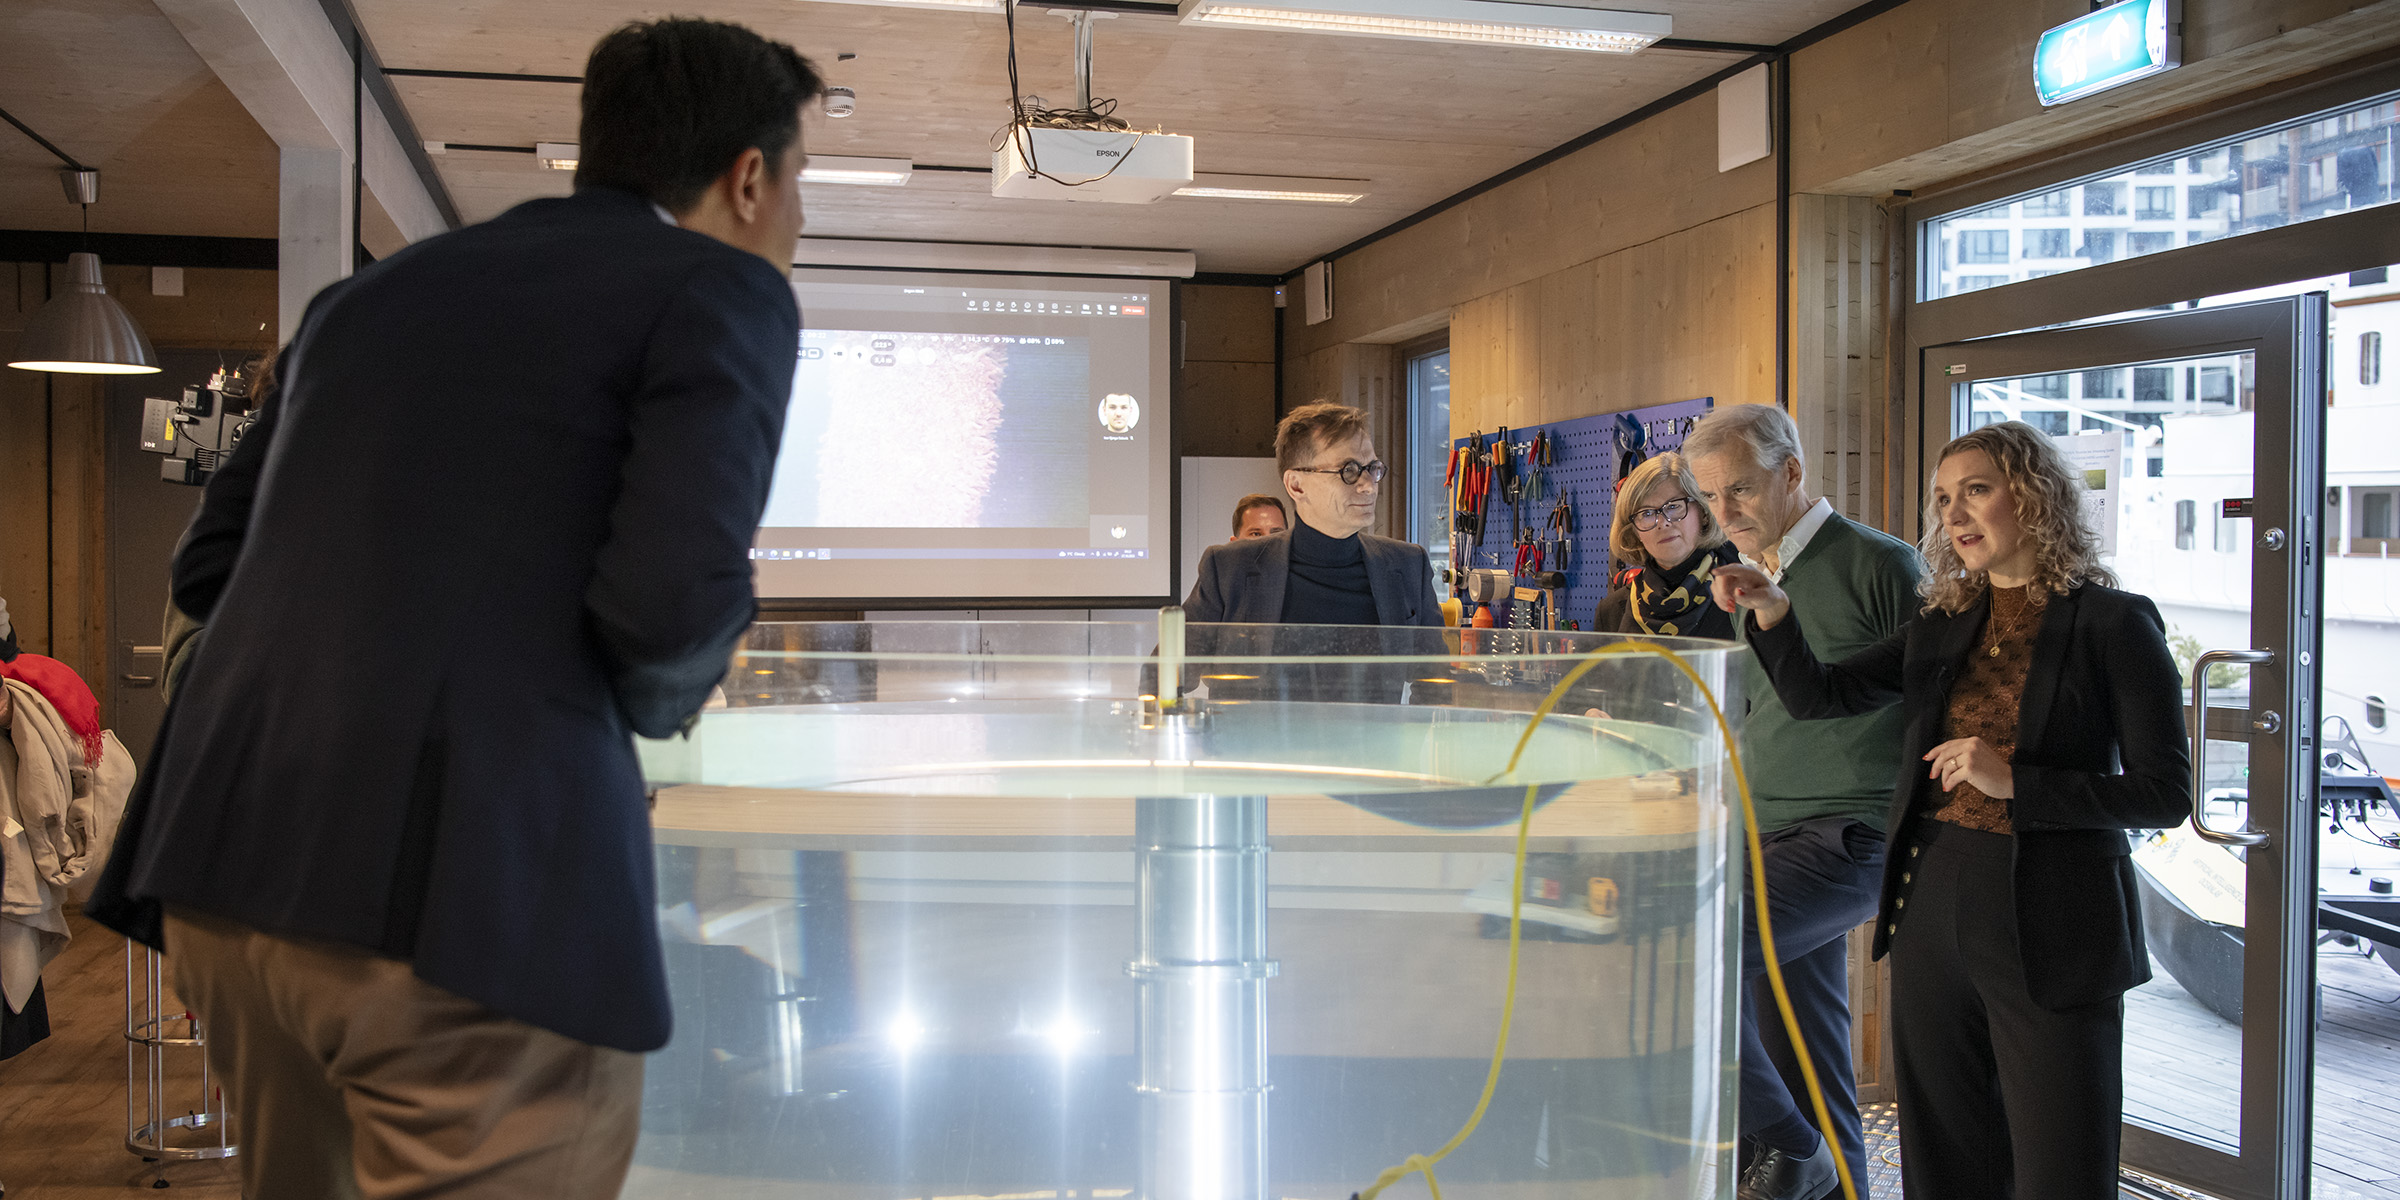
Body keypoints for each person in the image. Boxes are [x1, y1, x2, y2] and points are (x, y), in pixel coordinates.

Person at [86, 19, 822, 1200]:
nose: (798, 217)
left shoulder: (366, 301)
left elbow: (207, 568)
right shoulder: (721, 290)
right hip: (460, 904)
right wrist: (655, 707)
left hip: (224, 871)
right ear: (749, 177)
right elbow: (668, 608)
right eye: (802, 182)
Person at [1716, 422, 2189, 1200]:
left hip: (2055, 919)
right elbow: (1820, 695)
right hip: (1934, 901)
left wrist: (2018, 783)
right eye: (1943, 498)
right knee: (1943, 1153)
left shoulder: (2115, 622)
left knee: (2060, 1165)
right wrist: (1773, 610)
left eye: (1976, 489)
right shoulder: (1942, 623)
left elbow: (2165, 794)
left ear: (2033, 498)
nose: (1956, 513)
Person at [1684, 403, 1922, 1200]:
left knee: (1695, 959)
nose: (1726, 514)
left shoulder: (1881, 566)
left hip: (1850, 835)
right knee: (1810, 1053)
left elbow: (1934, 700)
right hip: (1765, 831)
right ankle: (1826, 1172)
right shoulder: (1748, 576)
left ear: (1792, 472)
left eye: (1741, 490)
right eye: (1712, 497)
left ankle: (1792, 1152)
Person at [1183, 403, 1441, 627]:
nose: (1368, 485)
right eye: (1349, 470)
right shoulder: (1230, 568)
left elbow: (1436, 677)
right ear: (1296, 485)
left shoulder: (1407, 564)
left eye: (1372, 468)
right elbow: (1162, 672)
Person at [1591, 451, 1740, 639]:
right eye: (1646, 513)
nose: (1663, 522)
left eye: (1673, 506)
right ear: (1634, 532)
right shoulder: (1611, 612)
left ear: (1703, 512)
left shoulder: (1742, 595)